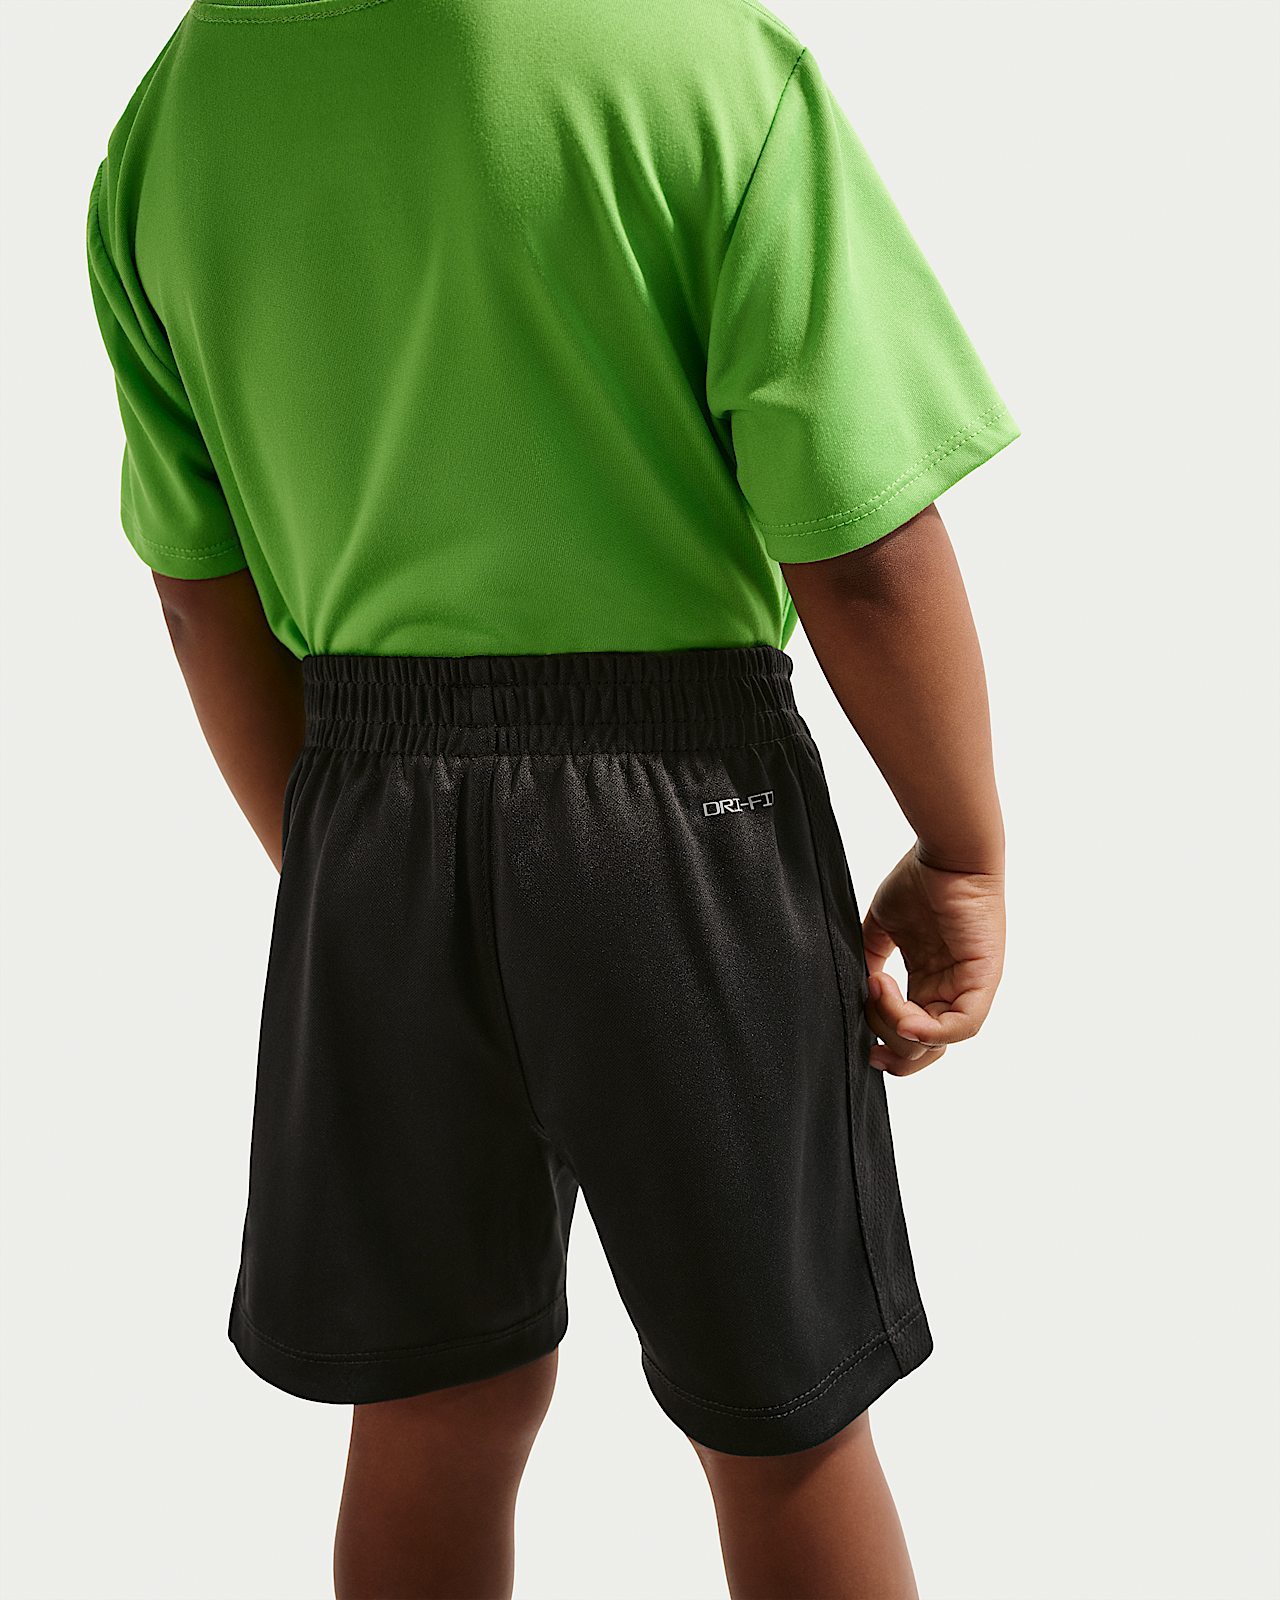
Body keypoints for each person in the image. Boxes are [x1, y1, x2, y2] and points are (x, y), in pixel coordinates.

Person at [86, 0, 1017, 1595]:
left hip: (366, 799)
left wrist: (341, 869)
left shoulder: (178, 109)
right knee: (782, 1417)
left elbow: (195, 589)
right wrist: (963, 851)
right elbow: (865, 552)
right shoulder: (700, 65)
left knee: (429, 1405)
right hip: (681, 807)